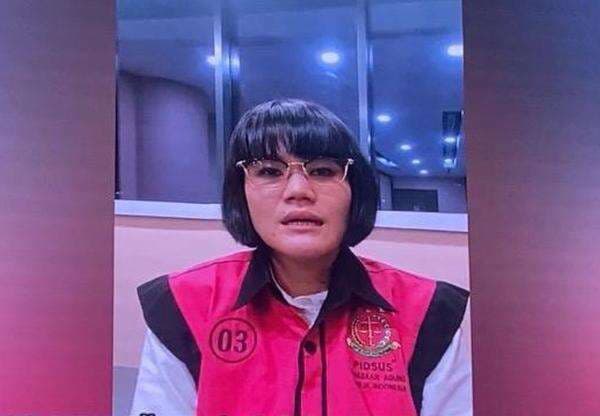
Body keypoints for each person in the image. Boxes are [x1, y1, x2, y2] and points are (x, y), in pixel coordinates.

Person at [130, 99, 471, 416]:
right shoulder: (183, 304)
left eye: (322, 171)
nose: (298, 191)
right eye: (269, 171)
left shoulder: (428, 311)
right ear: (240, 193)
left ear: (356, 191)